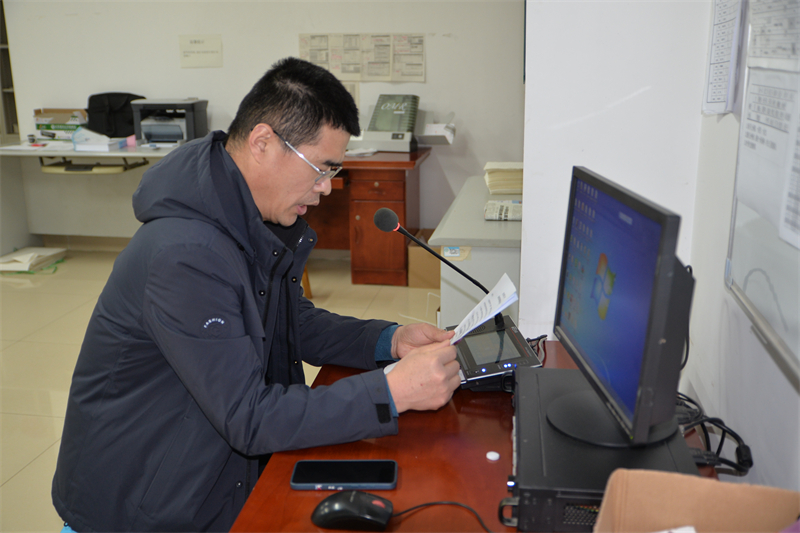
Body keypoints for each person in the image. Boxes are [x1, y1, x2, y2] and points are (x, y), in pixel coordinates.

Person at [52, 57, 461, 532]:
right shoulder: (186, 254)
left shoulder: (247, 217)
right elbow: (248, 416)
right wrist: (390, 391)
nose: (327, 188)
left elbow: (291, 321)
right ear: (263, 142)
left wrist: (388, 341)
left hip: (203, 474)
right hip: (138, 505)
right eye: (321, 168)